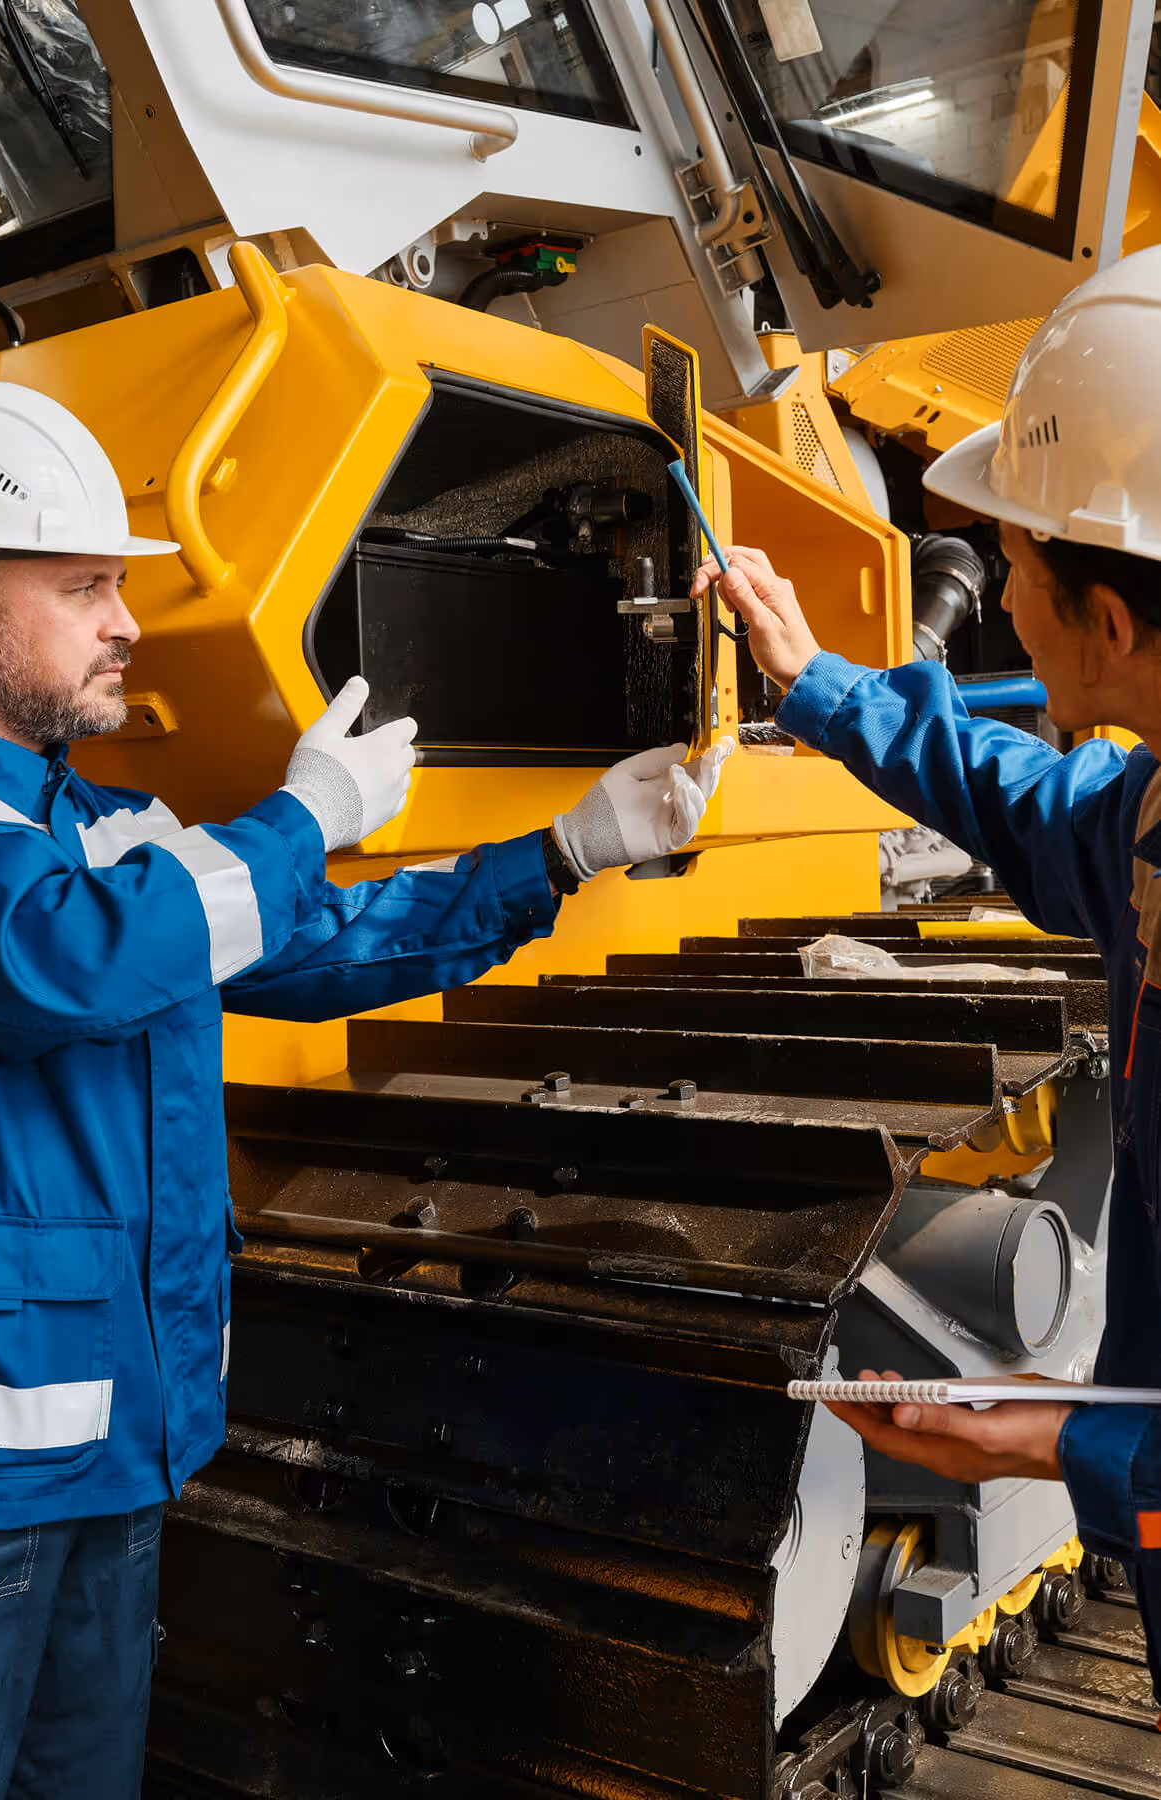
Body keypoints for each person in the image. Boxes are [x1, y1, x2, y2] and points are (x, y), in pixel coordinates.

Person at [0, 380, 732, 1800]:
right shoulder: (54, 871)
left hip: (119, 1445)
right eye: (83, 587)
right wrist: (301, 815)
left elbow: (306, 941)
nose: (127, 623)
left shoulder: (109, 828)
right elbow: (64, 967)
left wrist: (562, 853)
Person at [690, 244, 1161, 1696]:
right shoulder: (1145, 817)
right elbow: (1019, 795)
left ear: (1105, 622)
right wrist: (812, 678)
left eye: (1014, 569)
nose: (1003, 605)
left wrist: (1054, 1438)